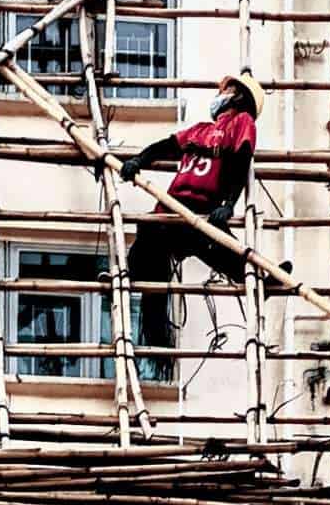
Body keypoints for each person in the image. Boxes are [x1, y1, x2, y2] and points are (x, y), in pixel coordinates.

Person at [118, 73, 284, 351]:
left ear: (238, 97)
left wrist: (229, 204)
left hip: (203, 208)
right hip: (172, 206)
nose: (219, 94)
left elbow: (241, 160)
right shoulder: (199, 129)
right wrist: (138, 160)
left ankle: (260, 280)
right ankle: (127, 277)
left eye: (226, 90)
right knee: (147, 230)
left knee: (220, 246)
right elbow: (166, 146)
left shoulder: (242, 123)